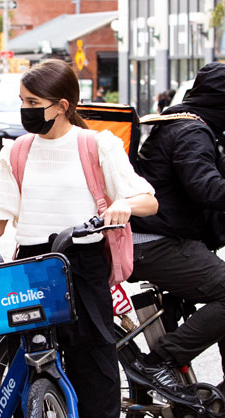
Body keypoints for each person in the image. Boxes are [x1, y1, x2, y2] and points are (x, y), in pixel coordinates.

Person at [0, 59, 158, 418]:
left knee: (94, 365)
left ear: (62, 105)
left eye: (33, 103)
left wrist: (123, 205)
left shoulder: (96, 146)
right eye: (22, 101)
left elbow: (148, 200)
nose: (24, 110)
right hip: (31, 266)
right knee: (28, 360)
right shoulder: (17, 151)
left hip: (82, 263)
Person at [129, 62, 225, 396]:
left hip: (161, 236)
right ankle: (158, 362)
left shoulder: (179, 121)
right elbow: (207, 188)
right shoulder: (192, 132)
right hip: (155, 243)